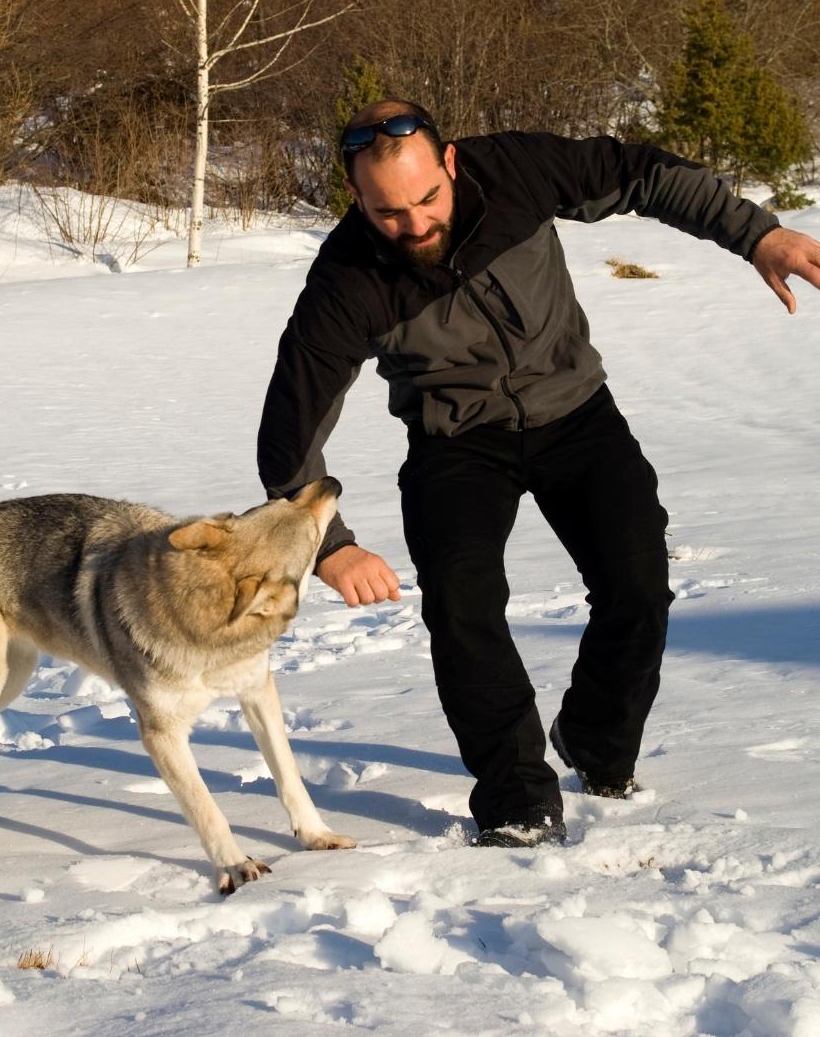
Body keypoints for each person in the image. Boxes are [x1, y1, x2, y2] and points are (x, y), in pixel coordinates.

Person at [256, 98, 820, 848]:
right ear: (356, 198)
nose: (417, 224)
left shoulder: (517, 171)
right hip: (454, 442)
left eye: (427, 198)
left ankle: (594, 740)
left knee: (638, 581)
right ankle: (516, 795)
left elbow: (643, 175)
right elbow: (290, 426)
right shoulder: (347, 280)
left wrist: (757, 235)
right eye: (389, 212)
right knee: (463, 604)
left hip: (575, 413)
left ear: (451, 162)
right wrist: (328, 545)